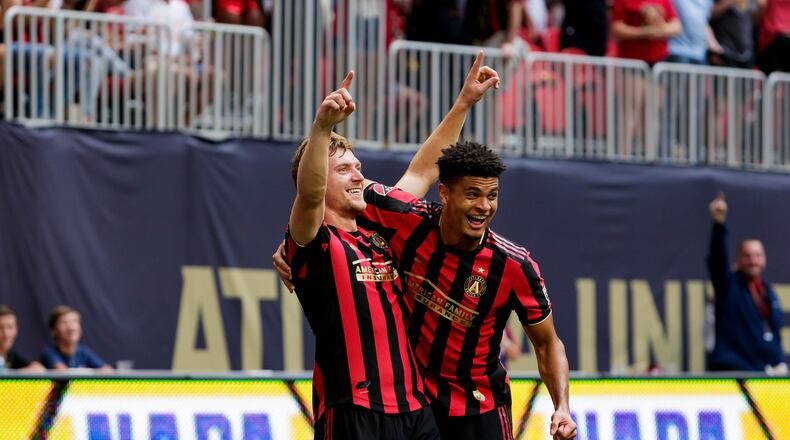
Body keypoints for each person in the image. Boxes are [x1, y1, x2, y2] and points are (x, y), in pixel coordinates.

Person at [276, 55, 575, 440]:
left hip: (421, 411)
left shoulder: (384, 234)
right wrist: (321, 130)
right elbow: (311, 196)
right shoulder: (316, 244)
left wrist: (464, 102)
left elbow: (422, 170)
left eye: (358, 165)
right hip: (355, 408)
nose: (360, 176)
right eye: (345, 169)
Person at [707, 193, 787, 374]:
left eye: (757, 255)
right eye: (748, 256)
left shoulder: (767, 292)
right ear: (738, 260)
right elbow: (717, 261)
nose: (753, 261)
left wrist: (778, 361)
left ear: (764, 259)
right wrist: (719, 224)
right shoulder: (729, 286)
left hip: (761, 373)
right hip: (733, 373)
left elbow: (772, 334)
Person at [40, 306, 113, 371]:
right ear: (53, 331)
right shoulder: (50, 352)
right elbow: (63, 376)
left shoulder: (83, 352)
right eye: (64, 323)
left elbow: (108, 372)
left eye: (74, 322)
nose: (71, 328)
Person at [0, 305, 46, 372]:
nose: (6, 334)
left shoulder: (11, 355)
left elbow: (37, 368)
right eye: (0, 328)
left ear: (16, 330)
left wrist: (17, 373)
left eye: (10, 327)